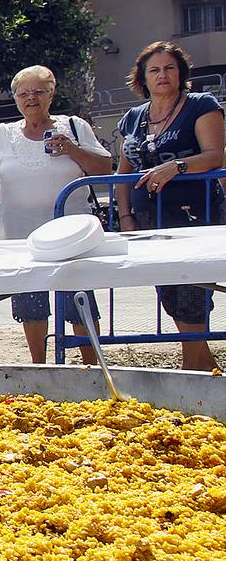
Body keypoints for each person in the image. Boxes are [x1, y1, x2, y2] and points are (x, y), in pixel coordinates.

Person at [0, 66, 113, 364]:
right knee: (31, 305)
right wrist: (1, 186)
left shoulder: (74, 126)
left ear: (51, 94)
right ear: (15, 99)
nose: (31, 98)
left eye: (38, 91)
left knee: (80, 302)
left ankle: (94, 368)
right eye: (23, 93)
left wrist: (73, 150)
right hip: (21, 237)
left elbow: (105, 170)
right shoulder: (5, 133)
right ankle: (40, 368)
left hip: (71, 238)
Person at [114, 42, 225, 371]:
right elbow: (123, 172)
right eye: (154, 70)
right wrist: (125, 216)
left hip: (194, 217)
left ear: (181, 74)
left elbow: (214, 156)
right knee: (172, 299)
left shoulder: (200, 105)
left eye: (169, 68)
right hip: (150, 221)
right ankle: (206, 374)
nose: (162, 75)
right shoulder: (133, 117)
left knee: (192, 297)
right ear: (143, 78)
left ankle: (193, 377)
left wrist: (175, 167)